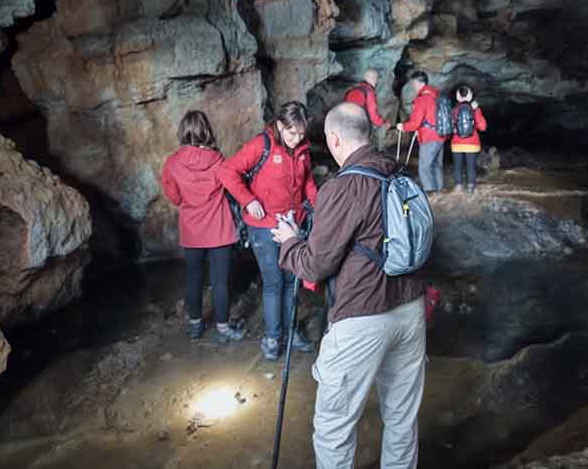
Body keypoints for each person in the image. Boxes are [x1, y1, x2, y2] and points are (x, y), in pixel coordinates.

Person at [273, 102, 426, 469]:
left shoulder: (343, 187)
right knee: (402, 417)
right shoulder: (400, 174)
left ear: (334, 138)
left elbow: (316, 265)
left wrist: (290, 242)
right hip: (411, 310)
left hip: (362, 316)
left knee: (334, 425)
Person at [218, 101, 319, 361]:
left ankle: (290, 330)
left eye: (301, 133)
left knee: (291, 280)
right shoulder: (261, 145)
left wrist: (319, 206)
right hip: (264, 225)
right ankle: (274, 337)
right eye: (292, 133)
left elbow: (307, 181)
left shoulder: (303, 151)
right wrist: (248, 200)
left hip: (292, 223)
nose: (297, 139)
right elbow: (227, 172)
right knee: (274, 282)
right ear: (279, 125)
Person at [161, 110, 245, 343]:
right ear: (206, 130)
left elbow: (174, 196)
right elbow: (232, 186)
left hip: (192, 228)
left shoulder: (172, 163)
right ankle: (223, 327)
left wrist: (187, 201)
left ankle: (196, 325)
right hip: (219, 228)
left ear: (182, 131)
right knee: (220, 281)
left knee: (193, 278)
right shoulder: (218, 160)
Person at [396, 70, 446, 193]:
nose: (413, 86)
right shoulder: (437, 95)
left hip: (429, 137)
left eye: (413, 83)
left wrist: (403, 127)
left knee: (424, 167)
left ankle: (430, 192)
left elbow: (415, 123)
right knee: (436, 164)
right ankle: (439, 189)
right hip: (441, 135)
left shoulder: (422, 99)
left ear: (418, 83)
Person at [450, 84, 487, 195]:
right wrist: (476, 109)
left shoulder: (454, 110)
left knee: (457, 166)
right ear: (470, 96)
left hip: (456, 143)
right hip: (472, 143)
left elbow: (451, 126)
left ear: (458, 97)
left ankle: (458, 187)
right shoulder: (475, 109)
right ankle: (471, 188)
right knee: (471, 167)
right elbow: (483, 127)